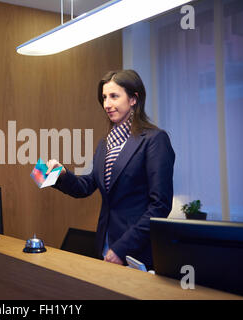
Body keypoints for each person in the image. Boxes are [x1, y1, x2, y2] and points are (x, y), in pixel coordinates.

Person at [46, 70, 175, 270]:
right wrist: (60, 174)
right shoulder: (105, 144)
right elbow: (85, 186)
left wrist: (122, 248)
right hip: (105, 246)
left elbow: (160, 206)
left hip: (135, 250)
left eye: (114, 96)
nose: (107, 104)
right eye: (104, 97)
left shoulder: (154, 140)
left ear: (133, 99)